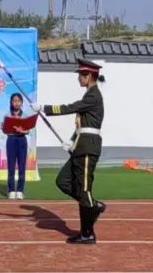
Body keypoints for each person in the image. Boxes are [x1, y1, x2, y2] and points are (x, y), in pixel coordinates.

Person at [35, 59, 106, 244]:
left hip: (88, 148)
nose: (79, 79)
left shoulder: (93, 96)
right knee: (63, 181)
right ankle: (93, 205)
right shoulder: (88, 96)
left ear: (89, 76)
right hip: (81, 146)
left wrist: (45, 108)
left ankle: (87, 233)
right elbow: (81, 125)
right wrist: (72, 141)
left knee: (84, 189)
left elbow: (70, 107)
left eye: (81, 75)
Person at [5, 93, 29, 200]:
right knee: (11, 166)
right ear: (11, 102)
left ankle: (20, 190)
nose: (17, 103)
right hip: (11, 140)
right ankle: (11, 190)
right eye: (14, 101)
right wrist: (5, 127)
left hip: (22, 140)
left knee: (22, 166)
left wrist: (22, 130)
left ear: (22, 103)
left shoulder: (25, 115)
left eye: (19, 101)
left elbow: (28, 130)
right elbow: (4, 129)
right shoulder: (7, 115)